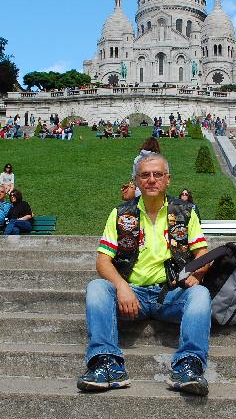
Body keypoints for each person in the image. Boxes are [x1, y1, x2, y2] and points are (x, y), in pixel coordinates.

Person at [77, 153, 211, 396]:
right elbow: (102, 260)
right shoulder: (120, 213)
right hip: (132, 295)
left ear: (168, 180)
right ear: (136, 181)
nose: (151, 180)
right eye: (145, 175)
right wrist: (121, 285)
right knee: (97, 287)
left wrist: (197, 273)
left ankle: (189, 365)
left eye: (157, 174)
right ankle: (107, 363)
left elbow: (203, 253)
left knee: (200, 294)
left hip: (171, 293)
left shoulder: (186, 212)